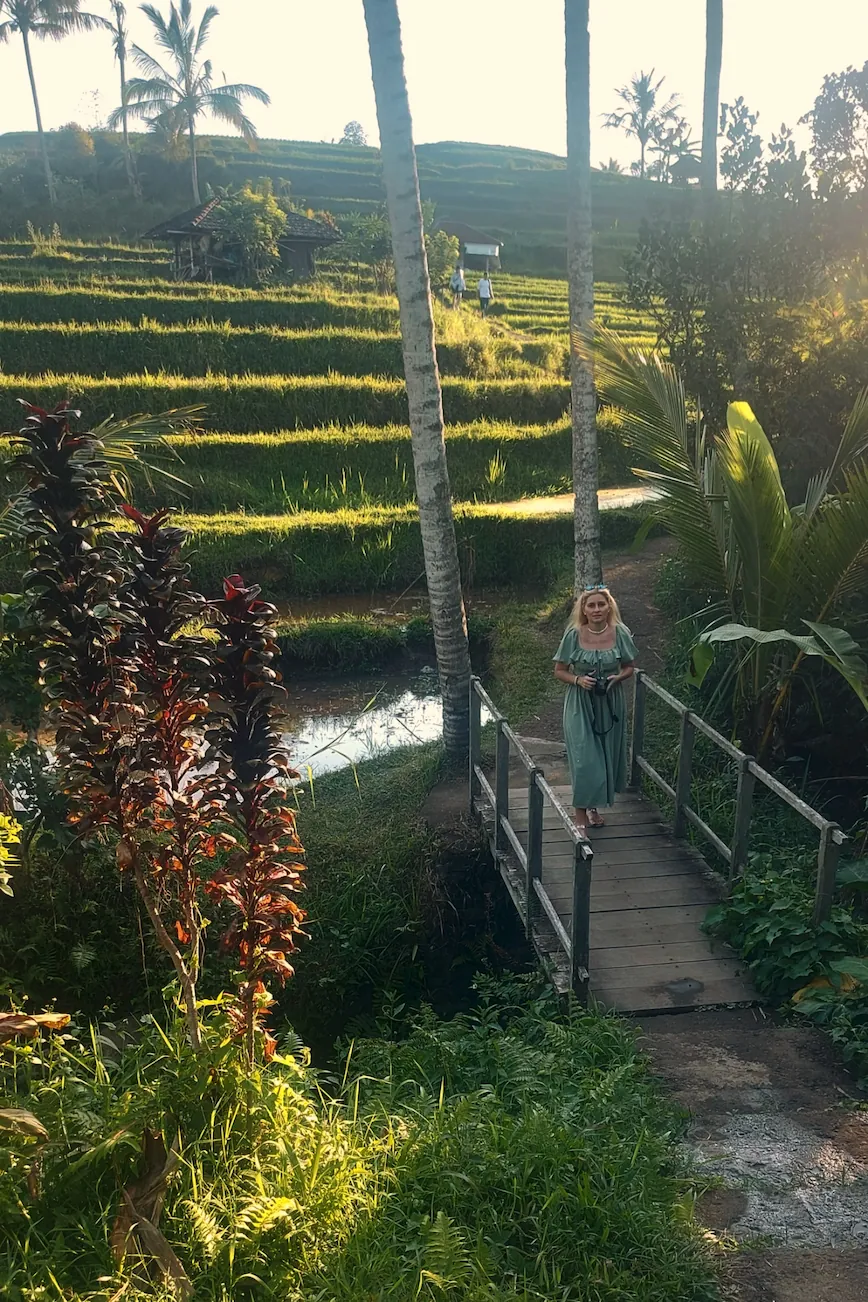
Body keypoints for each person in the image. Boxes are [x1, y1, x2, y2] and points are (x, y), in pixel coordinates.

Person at [552, 585, 637, 835]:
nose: (597, 609)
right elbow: (559, 670)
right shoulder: (573, 634)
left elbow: (630, 666)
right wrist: (578, 680)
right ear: (583, 609)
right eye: (591, 605)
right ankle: (579, 815)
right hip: (579, 703)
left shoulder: (621, 633)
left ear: (609, 606)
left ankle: (592, 808)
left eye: (601, 604)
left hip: (610, 703)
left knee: (603, 755)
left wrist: (617, 678)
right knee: (584, 759)